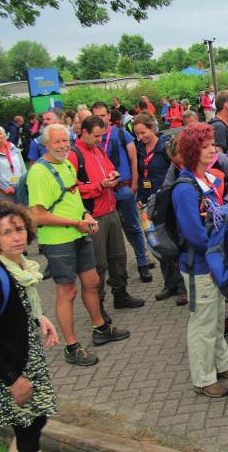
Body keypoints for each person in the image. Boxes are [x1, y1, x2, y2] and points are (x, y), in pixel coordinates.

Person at [28, 124, 129, 366]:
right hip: (58, 240)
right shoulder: (39, 172)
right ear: (45, 144)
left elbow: (73, 196)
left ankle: (100, 328)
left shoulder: (67, 164)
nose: (63, 145)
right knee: (68, 291)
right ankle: (71, 346)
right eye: (57, 142)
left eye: (65, 140)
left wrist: (84, 214)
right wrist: (75, 222)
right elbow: (38, 216)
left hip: (78, 232)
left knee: (92, 282)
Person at [0, 202, 59, 452]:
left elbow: (20, 305)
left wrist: (40, 317)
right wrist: (13, 379)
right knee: (28, 430)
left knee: (36, 419)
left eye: (19, 229)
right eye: (7, 233)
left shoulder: (20, 266)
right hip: (10, 368)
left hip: (26, 360)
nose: (17, 237)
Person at [172, 123, 228, 398]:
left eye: (213, 144)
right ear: (193, 151)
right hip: (200, 265)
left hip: (213, 262)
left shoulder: (206, 179)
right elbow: (195, 235)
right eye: (206, 146)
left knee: (215, 317)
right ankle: (203, 379)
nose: (213, 149)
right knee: (201, 322)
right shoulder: (186, 188)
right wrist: (223, 249)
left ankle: (221, 364)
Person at [68, 116, 145, 322]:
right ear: (83, 133)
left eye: (102, 136)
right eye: (96, 136)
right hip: (94, 216)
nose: (100, 140)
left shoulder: (97, 149)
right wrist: (100, 185)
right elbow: (73, 190)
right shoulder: (74, 156)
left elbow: (109, 167)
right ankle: (98, 305)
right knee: (99, 263)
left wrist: (113, 175)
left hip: (110, 209)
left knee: (118, 256)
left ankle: (120, 294)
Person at [91, 102, 152, 283]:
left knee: (133, 227)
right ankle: (117, 272)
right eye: (96, 116)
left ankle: (142, 263)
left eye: (103, 115)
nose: (100, 119)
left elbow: (134, 161)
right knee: (111, 233)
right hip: (103, 193)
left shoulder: (120, 133)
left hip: (124, 189)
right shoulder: (92, 139)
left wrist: (134, 185)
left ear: (109, 116)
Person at [132, 116, 187, 306]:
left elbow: (175, 171)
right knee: (157, 244)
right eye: (137, 133)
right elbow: (140, 174)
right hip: (150, 204)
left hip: (167, 204)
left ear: (152, 128)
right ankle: (169, 284)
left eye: (143, 132)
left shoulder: (165, 148)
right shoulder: (140, 149)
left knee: (172, 243)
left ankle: (182, 287)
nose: (140, 137)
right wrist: (140, 196)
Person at [0, 125, 27, 200]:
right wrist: (7, 189)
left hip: (20, 186)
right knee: (10, 210)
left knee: (24, 209)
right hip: (5, 191)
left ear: (4, 135)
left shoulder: (14, 148)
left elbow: (23, 166)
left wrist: (25, 182)